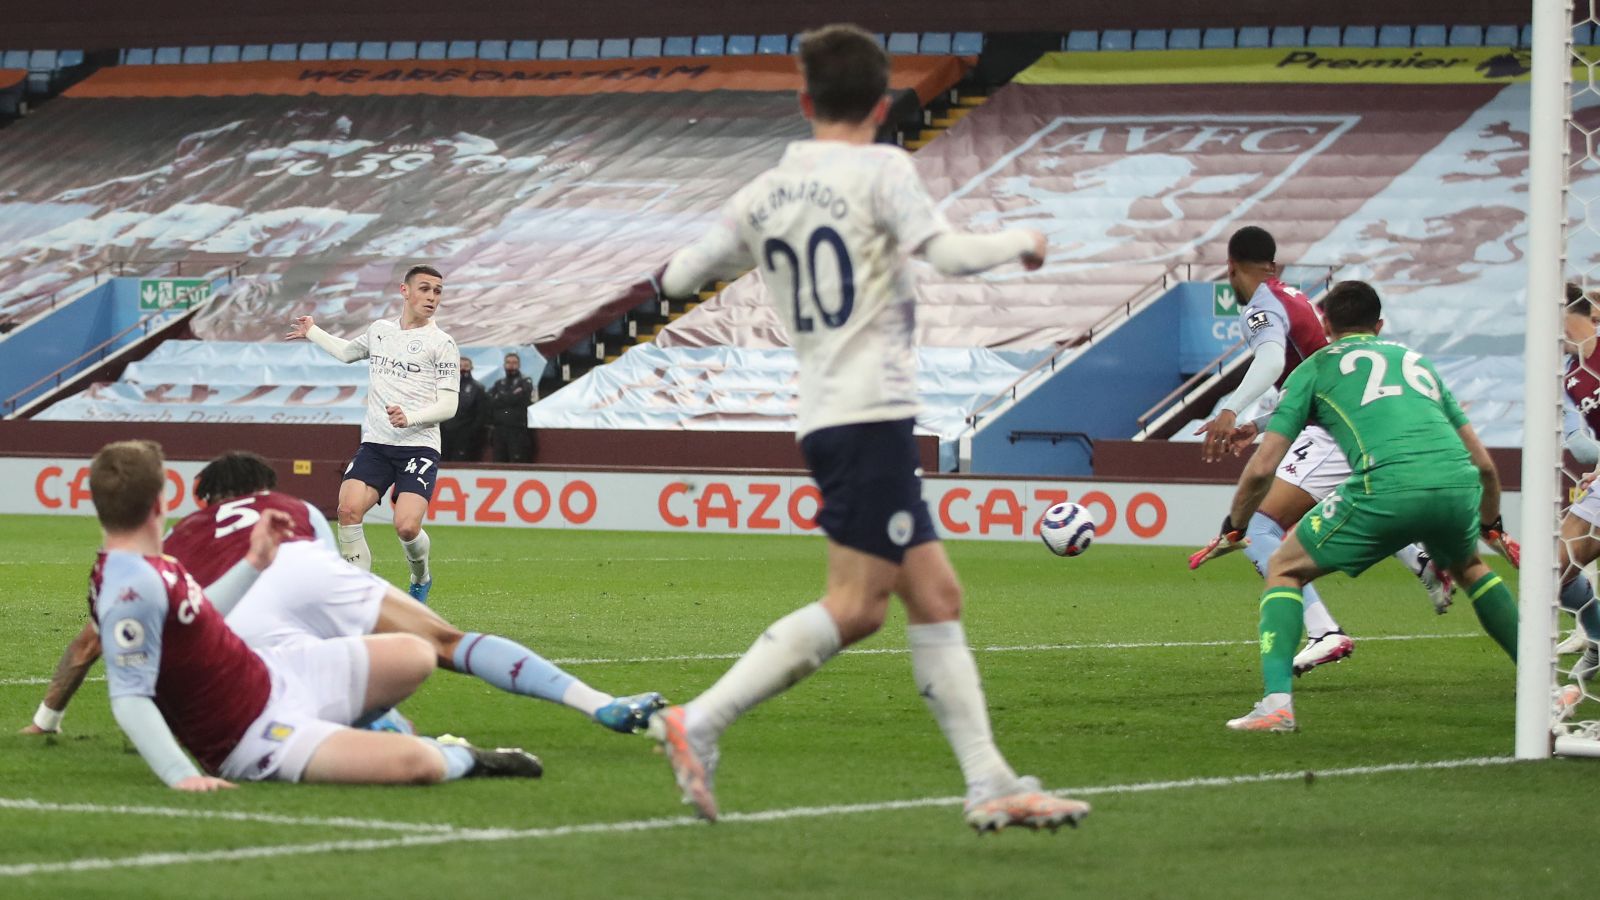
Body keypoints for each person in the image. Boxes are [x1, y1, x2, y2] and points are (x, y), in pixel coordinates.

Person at [644, 23, 1088, 832]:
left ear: (805, 100)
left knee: (937, 594)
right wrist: (1023, 240)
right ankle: (698, 719)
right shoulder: (884, 168)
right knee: (856, 608)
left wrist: (714, 261)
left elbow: (677, 275)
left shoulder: (762, 193)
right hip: (870, 411)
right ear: (884, 103)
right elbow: (948, 255)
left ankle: (989, 782)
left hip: (827, 415)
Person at [24, 451, 664, 737]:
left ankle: (364, 722)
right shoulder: (293, 506)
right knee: (444, 642)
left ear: (199, 499)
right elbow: (339, 621)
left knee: (274, 680)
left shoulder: (178, 536)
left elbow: (90, 646)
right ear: (263, 487)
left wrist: (45, 719)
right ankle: (597, 703)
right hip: (299, 561)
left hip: (229, 615)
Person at [73, 440, 540, 789]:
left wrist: (253, 564)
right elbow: (130, 696)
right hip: (251, 734)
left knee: (416, 654)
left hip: (272, 676)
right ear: (160, 503)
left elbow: (200, 615)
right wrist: (181, 776)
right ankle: (466, 759)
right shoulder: (129, 589)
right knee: (415, 764)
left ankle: (357, 725)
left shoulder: (151, 566)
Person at [1206, 281, 1519, 732]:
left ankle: (1277, 704)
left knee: (1284, 567)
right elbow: (1485, 465)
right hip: (1456, 484)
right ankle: (1541, 687)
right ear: (1379, 326)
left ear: (1325, 324)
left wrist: (1235, 526)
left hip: (1386, 484)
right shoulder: (1418, 364)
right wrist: (1491, 523)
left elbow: (1260, 471)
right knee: (1471, 568)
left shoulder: (1313, 368)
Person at [1190, 226, 1453, 676]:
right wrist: (1258, 424)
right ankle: (1422, 559)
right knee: (1356, 499)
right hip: (1350, 417)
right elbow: (1308, 384)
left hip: (1331, 427)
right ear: (1272, 264)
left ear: (1230, 268)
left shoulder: (1260, 308)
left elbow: (1273, 362)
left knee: (1258, 525)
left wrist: (1231, 411)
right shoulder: (1291, 296)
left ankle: (1323, 632)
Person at [286, 265, 458, 603]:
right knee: (348, 511)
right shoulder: (380, 330)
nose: (432, 297)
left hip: (418, 447)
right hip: (377, 444)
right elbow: (348, 352)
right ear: (404, 291)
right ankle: (356, 598)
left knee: (406, 527)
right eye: (425, 289)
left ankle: (420, 577)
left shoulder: (442, 343)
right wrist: (313, 332)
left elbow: (450, 405)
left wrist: (412, 417)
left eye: (437, 291)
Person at [488, 352, 535, 463]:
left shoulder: (525, 381)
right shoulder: (499, 383)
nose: (511, 365)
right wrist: (509, 396)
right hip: (499, 429)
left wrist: (501, 397)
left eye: (514, 363)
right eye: (508, 362)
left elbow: (517, 398)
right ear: (504, 365)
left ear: (519, 365)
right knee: (498, 462)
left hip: (517, 429)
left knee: (517, 461)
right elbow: (490, 401)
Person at [441, 356, 489, 462]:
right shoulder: (446, 386)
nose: (463, 368)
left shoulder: (477, 388)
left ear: (471, 368)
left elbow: (481, 413)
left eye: (466, 366)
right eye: (460, 366)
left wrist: (471, 432)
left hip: (465, 433)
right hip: (446, 431)